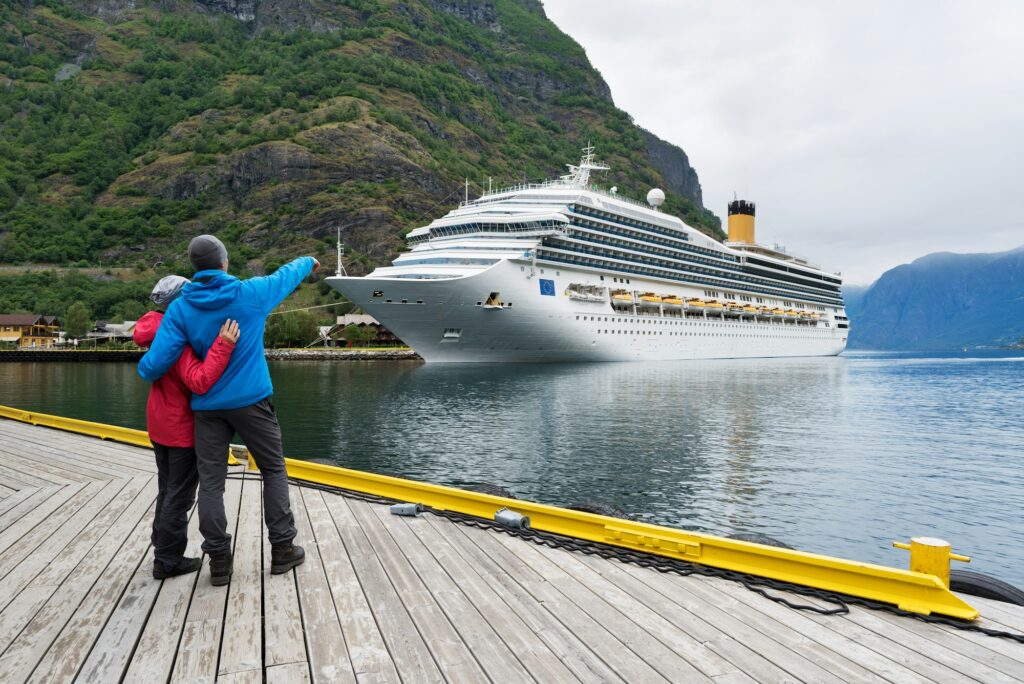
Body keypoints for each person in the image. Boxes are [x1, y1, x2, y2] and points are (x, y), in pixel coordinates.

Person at [138, 235, 318, 585]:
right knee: (273, 471)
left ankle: (219, 560)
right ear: (224, 262)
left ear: (195, 267)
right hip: (252, 402)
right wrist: (308, 260)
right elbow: (287, 274)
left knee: (211, 483)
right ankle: (283, 549)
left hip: (207, 410)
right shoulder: (250, 293)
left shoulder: (179, 309)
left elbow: (151, 366)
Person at [133, 275, 240, 579]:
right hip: (179, 427)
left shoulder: (155, 332)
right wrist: (223, 345)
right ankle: (167, 560)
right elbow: (199, 380)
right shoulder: (175, 339)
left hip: (159, 423)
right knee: (179, 496)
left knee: (167, 490)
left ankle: (162, 546)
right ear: (180, 302)